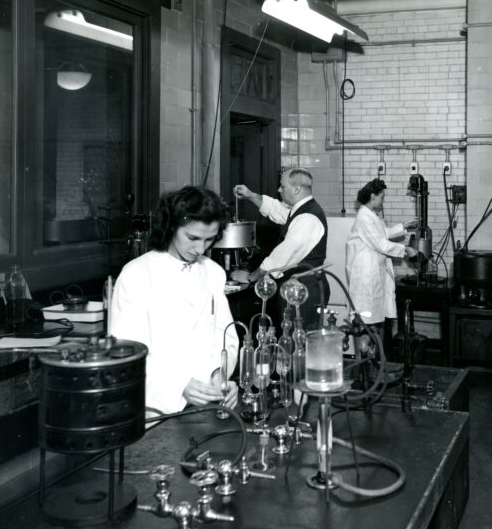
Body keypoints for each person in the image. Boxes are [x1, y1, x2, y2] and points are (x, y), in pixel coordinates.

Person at [109, 186, 239, 415]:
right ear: (171, 227)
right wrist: (179, 387)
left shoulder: (213, 272)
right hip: (157, 408)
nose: (200, 249)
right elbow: (127, 354)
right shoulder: (137, 274)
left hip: (205, 406)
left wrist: (219, 376)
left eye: (209, 240)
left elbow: (225, 336)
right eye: (192, 238)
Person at [233, 168, 329, 328]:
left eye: (282, 186)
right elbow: (275, 209)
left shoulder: (307, 218)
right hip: (300, 289)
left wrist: (250, 277)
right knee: (295, 342)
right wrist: (250, 195)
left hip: (304, 291)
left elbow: (281, 256)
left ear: (297, 189)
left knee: (298, 344)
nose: (279, 190)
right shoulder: (301, 211)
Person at [345, 178, 418, 348]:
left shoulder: (370, 216)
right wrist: (406, 249)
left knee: (372, 317)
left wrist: (403, 226)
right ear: (373, 196)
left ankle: (372, 359)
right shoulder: (364, 217)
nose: (383, 200)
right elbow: (380, 243)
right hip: (364, 276)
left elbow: (382, 233)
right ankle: (362, 362)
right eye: (382, 197)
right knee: (363, 319)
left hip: (372, 274)